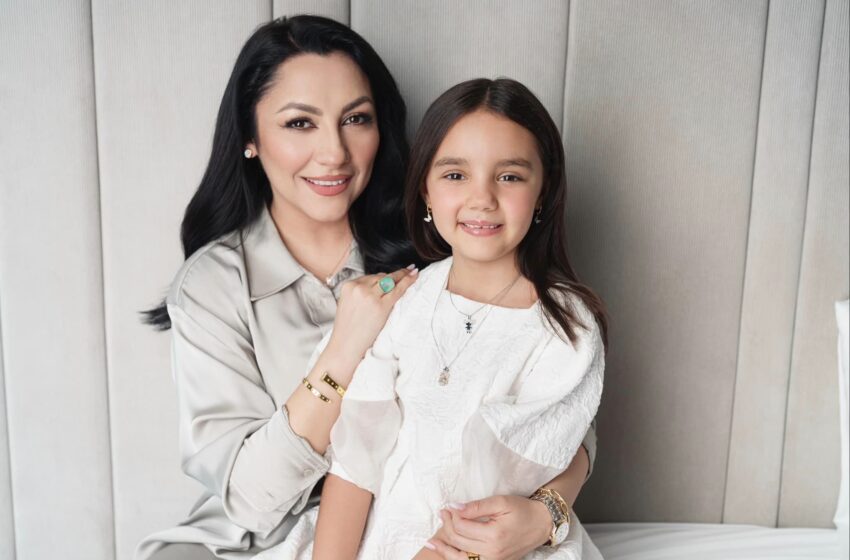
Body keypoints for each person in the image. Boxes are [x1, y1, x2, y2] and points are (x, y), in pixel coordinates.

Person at [137, 15, 598, 560]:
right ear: (249, 138)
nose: (334, 152)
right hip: (261, 538)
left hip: (426, 529)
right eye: (300, 123)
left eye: (356, 119)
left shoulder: (441, 247)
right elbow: (252, 502)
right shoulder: (213, 287)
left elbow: (563, 421)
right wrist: (343, 351)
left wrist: (546, 512)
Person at [257, 78, 608, 560]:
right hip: (379, 539)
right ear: (425, 189)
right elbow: (355, 464)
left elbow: (490, 502)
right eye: (455, 175)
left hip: (487, 549)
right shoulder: (403, 302)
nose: (482, 199)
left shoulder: (566, 329)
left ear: (542, 191)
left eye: (509, 177)